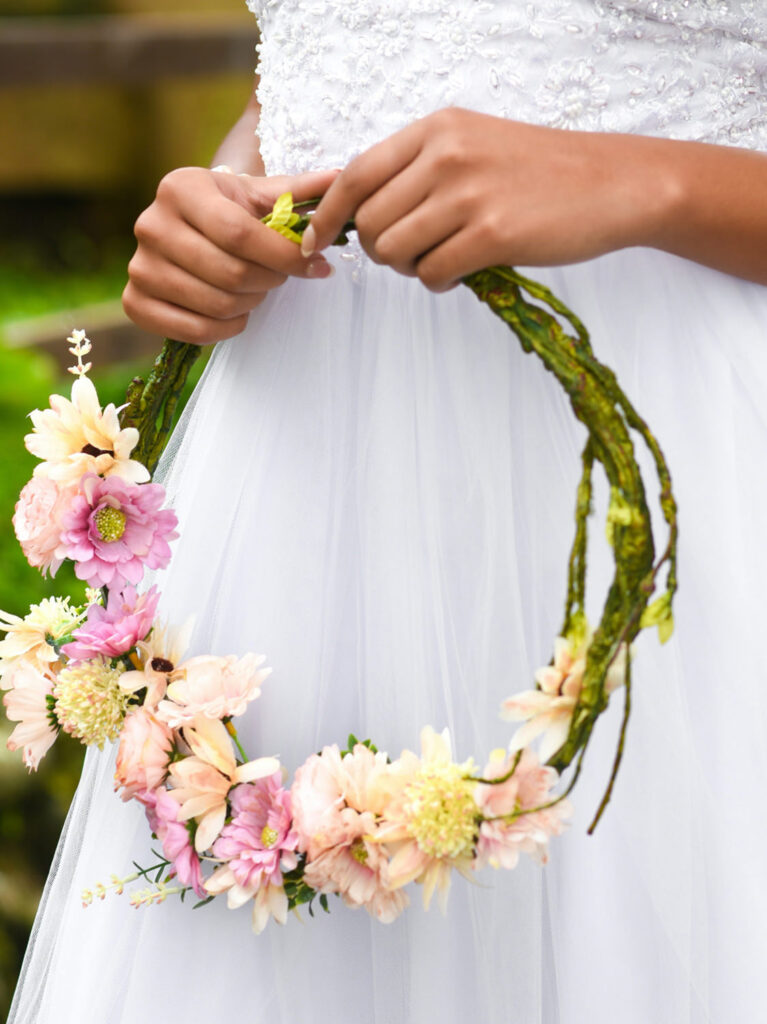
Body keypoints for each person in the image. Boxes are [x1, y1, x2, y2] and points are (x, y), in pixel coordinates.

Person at [10, 2, 767, 1022]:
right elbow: (328, 52)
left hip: (669, 463)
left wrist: (650, 178)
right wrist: (231, 193)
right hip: (304, 499)